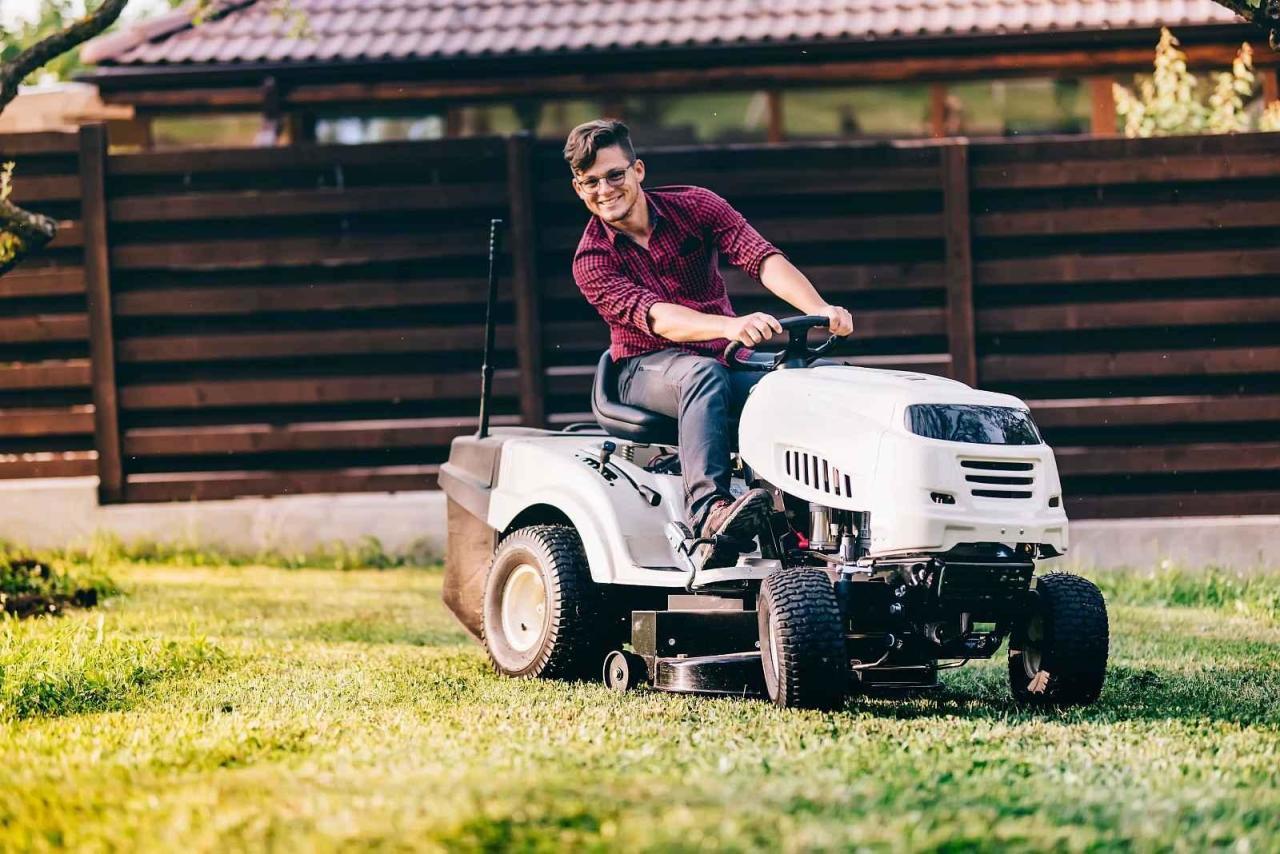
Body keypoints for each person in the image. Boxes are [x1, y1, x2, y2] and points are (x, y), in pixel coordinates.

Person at [566, 119, 854, 552]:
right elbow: (657, 318)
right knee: (702, 375)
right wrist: (727, 325)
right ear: (579, 189)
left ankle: (827, 516)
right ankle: (709, 511)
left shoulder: (697, 206)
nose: (605, 190)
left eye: (614, 175)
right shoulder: (591, 261)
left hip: (722, 358)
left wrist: (819, 308)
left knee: (815, 381)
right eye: (591, 182)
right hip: (643, 368)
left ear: (638, 170)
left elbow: (760, 258)